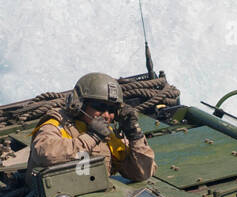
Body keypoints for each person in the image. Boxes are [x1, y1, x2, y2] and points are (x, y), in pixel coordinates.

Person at [27, 72, 155, 182]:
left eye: (112, 109)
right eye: (99, 107)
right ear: (79, 104)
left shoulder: (108, 136)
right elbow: (44, 153)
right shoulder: (58, 124)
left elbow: (142, 173)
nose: (106, 115)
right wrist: (91, 137)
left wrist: (135, 135)